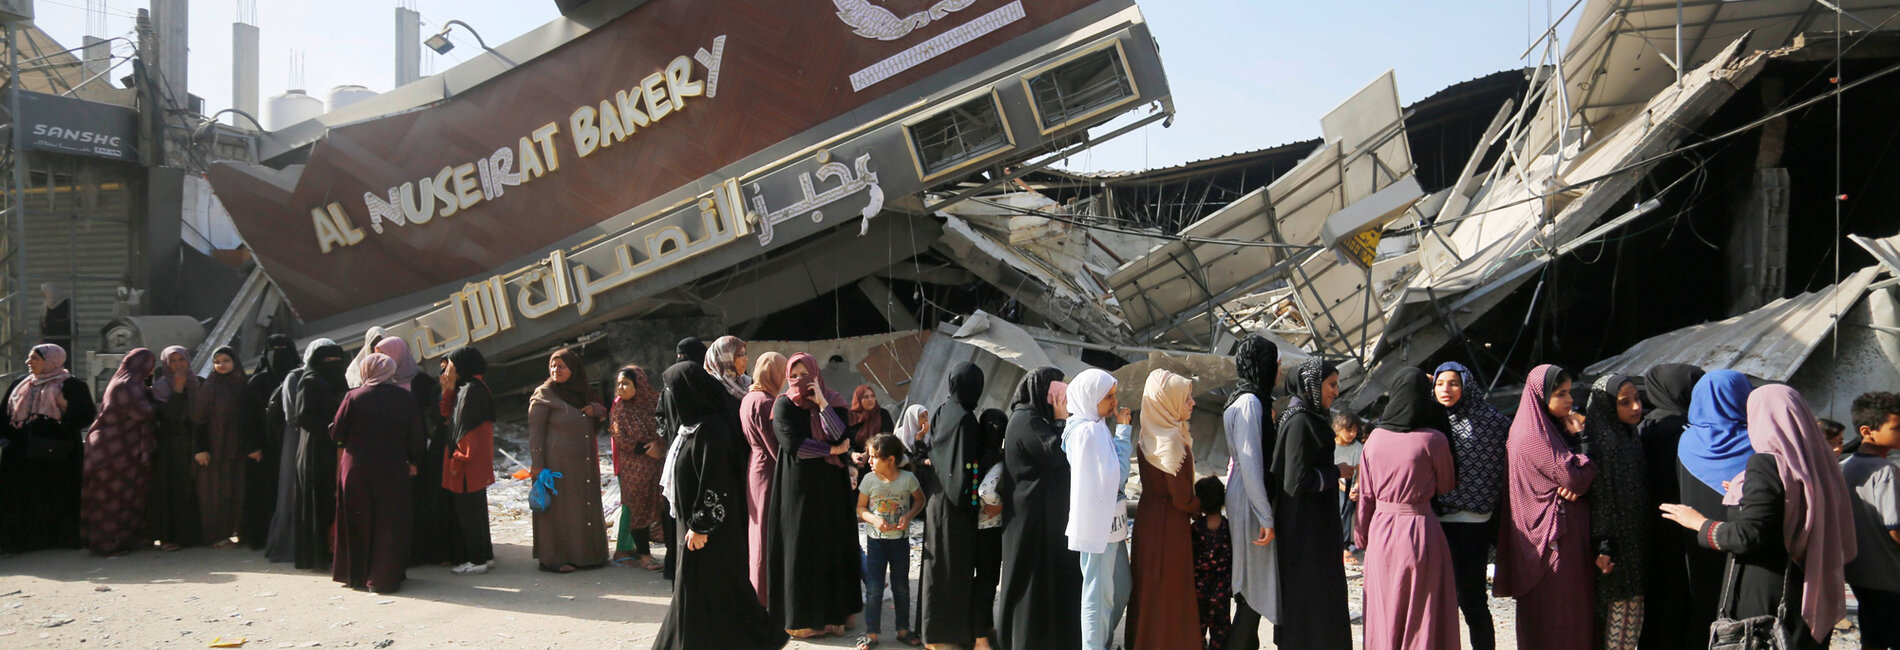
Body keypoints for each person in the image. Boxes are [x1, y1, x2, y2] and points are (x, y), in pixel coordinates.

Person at [1660, 385, 1855, 649]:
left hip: (1767, 589)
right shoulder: (1819, 462)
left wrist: (1698, 523)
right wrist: (1746, 491)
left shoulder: (1766, 463)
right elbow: (1792, 505)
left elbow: (1747, 535)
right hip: (1805, 582)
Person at [653, 356, 789, 650]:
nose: (670, 399)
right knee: (704, 588)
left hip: (709, 531)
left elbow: (717, 482)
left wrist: (702, 525)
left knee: (711, 586)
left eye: (673, 391)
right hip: (689, 526)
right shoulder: (689, 428)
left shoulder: (710, 430)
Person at [1355, 367, 1458, 650]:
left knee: (1385, 607)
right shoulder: (1433, 440)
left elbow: (1366, 495)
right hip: (1421, 529)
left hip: (1381, 531)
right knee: (1422, 614)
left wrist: (1360, 535)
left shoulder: (1373, 439)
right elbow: (1447, 484)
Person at [1495, 364, 1596, 650]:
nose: (1568, 400)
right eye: (1559, 393)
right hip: (1550, 547)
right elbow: (1573, 478)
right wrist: (1583, 443)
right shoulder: (1533, 434)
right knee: (1558, 616)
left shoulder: (1548, 429)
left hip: (1559, 540)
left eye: (1569, 393)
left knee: (1567, 614)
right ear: (1540, 396)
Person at [769, 352, 863, 637]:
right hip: (799, 488)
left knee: (833, 545)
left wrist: (822, 403)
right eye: (794, 375)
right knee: (804, 547)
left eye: (804, 374)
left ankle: (836, 615)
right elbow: (793, 444)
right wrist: (831, 451)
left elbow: (840, 436)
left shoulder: (833, 400)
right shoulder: (783, 404)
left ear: (816, 374)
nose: (800, 381)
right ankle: (805, 620)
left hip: (832, 488)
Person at [1270, 357, 1353, 649]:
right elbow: (1295, 479)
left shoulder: (1306, 417)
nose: (1336, 391)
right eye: (1331, 384)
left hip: (1312, 528)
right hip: (1305, 533)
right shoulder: (1301, 421)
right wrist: (1335, 473)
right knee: (1311, 602)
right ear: (1312, 385)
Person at [996, 368, 1080, 650]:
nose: (1062, 400)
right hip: (1030, 520)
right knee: (1029, 583)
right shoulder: (1026, 420)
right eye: (1056, 394)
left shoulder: (1032, 419)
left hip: (1039, 518)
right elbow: (1056, 455)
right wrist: (1060, 421)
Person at [330, 353, 426, 594]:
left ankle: (357, 576)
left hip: (356, 468)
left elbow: (336, 433)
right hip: (391, 467)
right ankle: (384, 579)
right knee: (389, 522)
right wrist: (414, 460)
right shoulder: (405, 398)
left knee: (358, 519)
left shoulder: (353, 397)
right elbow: (416, 435)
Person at [1428, 361, 1509, 650]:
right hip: (1434, 520)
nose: (1445, 389)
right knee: (1435, 600)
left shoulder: (1491, 422)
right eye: (1439, 383)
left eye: (1453, 383)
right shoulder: (1428, 418)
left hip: (1473, 522)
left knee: (1472, 600)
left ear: (1466, 385)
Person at [1127, 369, 1202, 650]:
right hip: (1169, 526)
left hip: (1149, 520)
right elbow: (1182, 498)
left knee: (1149, 591)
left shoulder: (1150, 433)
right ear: (1167, 402)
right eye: (1186, 398)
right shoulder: (1170, 442)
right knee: (1170, 591)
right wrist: (1206, 504)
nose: (1192, 403)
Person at [1677, 369, 1754, 636]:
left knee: (1703, 602)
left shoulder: (1685, 441)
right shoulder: (1758, 442)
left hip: (1696, 536)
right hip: (1742, 538)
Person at [1, 343, 95, 554]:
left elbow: (85, 416)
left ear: (51, 360)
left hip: (56, 454)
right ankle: (22, 541)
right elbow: (4, 415)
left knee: (56, 494)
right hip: (20, 454)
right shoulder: (20, 384)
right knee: (19, 496)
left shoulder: (71, 386)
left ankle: (56, 539)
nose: (28, 363)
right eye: (29, 358)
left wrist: (65, 407)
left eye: (34, 358)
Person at [1064, 368, 1135, 650]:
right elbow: (1118, 474)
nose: (1114, 402)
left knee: (1119, 588)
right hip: (1097, 527)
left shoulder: (1093, 426)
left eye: (1114, 395)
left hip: (1110, 523)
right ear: (1090, 397)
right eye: (1108, 396)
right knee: (1098, 596)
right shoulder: (1087, 432)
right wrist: (1124, 432)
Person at [1579, 374, 1650, 649]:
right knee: (1620, 623)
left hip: (1632, 545)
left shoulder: (1628, 433)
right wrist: (1605, 545)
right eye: (1624, 402)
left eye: (1637, 399)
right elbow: (1602, 498)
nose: (1636, 407)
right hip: (1615, 551)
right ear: (1607, 405)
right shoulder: (1603, 443)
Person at [1634, 363, 1702, 649]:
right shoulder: (1688, 430)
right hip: (1685, 523)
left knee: (1658, 604)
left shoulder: (1645, 427)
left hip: (1649, 525)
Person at [921, 362, 987, 649]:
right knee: (955, 570)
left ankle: (931, 634)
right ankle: (950, 637)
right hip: (957, 510)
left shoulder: (943, 410)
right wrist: (975, 503)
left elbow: (936, 454)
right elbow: (967, 470)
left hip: (936, 502)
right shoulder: (966, 421)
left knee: (935, 568)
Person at [1221, 335, 1281, 647]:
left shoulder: (1242, 398)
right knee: (1253, 584)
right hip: (1249, 497)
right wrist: (1266, 517)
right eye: (1275, 363)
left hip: (1242, 492)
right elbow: (1250, 462)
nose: (1279, 370)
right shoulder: (1249, 403)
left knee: (1250, 582)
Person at [529, 347, 609, 573]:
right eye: (553, 366)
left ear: (573, 369)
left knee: (582, 507)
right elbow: (535, 434)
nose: (556, 370)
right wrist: (538, 466)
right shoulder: (544, 395)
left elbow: (602, 410)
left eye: (561, 366)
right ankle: (553, 558)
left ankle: (587, 555)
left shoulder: (581, 393)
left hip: (583, 465)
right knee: (559, 512)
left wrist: (594, 409)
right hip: (556, 466)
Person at [370, 337, 447, 568]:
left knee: (420, 500)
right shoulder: (380, 382)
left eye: (387, 354)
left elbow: (431, 417)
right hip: (390, 452)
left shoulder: (422, 382)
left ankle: (425, 551)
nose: (382, 360)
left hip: (418, 450)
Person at [264, 339, 334, 563]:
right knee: (293, 491)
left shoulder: (332, 375)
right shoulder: (296, 377)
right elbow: (293, 414)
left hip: (323, 439)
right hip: (297, 438)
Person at [80, 348, 155, 556]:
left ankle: (121, 541)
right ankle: (108, 545)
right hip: (113, 451)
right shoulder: (127, 385)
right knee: (111, 498)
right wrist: (159, 399)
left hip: (116, 449)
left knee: (121, 496)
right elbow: (141, 412)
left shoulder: (126, 381)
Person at [1842, 392, 1900, 650]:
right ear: (1867, 431)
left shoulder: (1846, 465)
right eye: (1897, 428)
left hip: (1860, 574)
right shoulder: (1885, 472)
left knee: (1873, 640)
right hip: (1892, 578)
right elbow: (1895, 528)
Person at [858, 433, 924, 650]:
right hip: (876, 543)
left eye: (874, 457)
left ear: (890, 460)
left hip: (900, 542)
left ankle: (903, 630)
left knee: (901, 587)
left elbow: (920, 501)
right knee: (875, 588)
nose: (869, 461)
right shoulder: (869, 480)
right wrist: (875, 519)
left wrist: (908, 517)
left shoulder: (908, 479)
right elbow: (860, 508)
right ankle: (871, 633)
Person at [291, 340, 351, 570]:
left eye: (337, 360)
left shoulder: (340, 381)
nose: (333, 364)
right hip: (316, 448)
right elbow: (303, 417)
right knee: (318, 499)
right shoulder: (310, 382)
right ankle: (317, 555)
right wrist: (330, 431)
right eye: (328, 361)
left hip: (336, 447)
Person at [439, 346, 496, 574]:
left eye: (451, 364)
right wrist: (449, 388)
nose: (448, 369)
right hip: (476, 463)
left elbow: (466, 431)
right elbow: (447, 415)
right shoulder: (472, 387)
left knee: (469, 514)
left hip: (467, 465)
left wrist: (457, 461)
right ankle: (485, 556)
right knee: (477, 511)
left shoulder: (470, 392)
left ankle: (477, 560)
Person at [656, 336, 709, 581]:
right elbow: (660, 417)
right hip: (683, 451)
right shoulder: (683, 381)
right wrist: (672, 434)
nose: (681, 361)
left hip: (684, 451)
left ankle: (677, 568)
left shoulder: (684, 382)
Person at [243, 334, 301, 550]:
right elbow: (247, 418)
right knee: (265, 492)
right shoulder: (257, 381)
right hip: (264, 448)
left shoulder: (298, 375)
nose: (278, 353)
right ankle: (264, 538)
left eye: (283, 348)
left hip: (292, 443)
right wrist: (253, 446)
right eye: (273, 348)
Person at [193, 346, 254, 548]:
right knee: (215, 491)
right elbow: (199, 420)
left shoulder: (242, 384)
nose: (221, 365)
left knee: (236, 489)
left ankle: (233, 531)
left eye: (226, 360)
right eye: (217, 362)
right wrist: (201, 449)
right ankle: (216, 536)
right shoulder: (210, 387)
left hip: (237, 448)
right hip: (215, 449)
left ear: (235, 361)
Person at [741, 351, 788, 603]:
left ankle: (759, 595)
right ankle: (767, 597)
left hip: (755, 468)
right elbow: (776, 446)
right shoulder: (767, 402)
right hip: (769, 470)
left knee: (758, 532)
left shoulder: (749, 397)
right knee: (768, 535)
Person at [610, 365, 666, 572]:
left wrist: (659, 446)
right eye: (619, 385)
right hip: (634, 471)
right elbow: (620, 438)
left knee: (663, 508)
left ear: (638, 385)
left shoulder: (655, 403)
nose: (621, 388)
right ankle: (644, 556)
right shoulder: (620, 410)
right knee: (638, 511)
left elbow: (667, 428)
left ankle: (673, 556)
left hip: (658, 466)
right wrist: (645, 450)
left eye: (626, 383)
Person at [149, 345, 204, 551]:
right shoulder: (161, 387)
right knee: (173, 489)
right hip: (170, 444)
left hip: (193, 442)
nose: (178, 364)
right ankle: (170, 537)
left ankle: (194, 535)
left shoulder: (198, 383)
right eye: (173, 361)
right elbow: (169, 417)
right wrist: (178, 390)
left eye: (182, 359)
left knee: (193, 488)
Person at [972, 408, 1009, 649]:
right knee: (987, 583)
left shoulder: (975, 453)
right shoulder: (998, 459)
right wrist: (1000, 504)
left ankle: (985, 627)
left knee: (979, 582)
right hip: (990, 530)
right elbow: (985, 490)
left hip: (972, 528)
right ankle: (980, 639)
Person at [1191, 476, 1232, 650]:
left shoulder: (1195, 529)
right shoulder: (1228, 527)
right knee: (1221, 633)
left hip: (1199, 591)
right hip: (1222, 591)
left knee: (1197, 632)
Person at [1334, 410, 1365, 562]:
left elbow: (1360, 472)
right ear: (1338, 429)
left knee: (1345, 510)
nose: (1352, 434)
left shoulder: (1358, 447)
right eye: (1349, 430)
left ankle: (1344, 545)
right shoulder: (1330, 444)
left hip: (1348, 485)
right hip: (1332, 482)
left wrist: (1356, 487)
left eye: (1355, 431)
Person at [849, 385, 894, 472]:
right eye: (866, 397)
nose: (870, 399)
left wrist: (869, 453)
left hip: (881, 463)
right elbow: (845, 441)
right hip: (857, 468)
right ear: (858, 399)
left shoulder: (882, 414)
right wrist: (853, 454)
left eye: (872, 396)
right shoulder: (850, 418)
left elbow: (887, 438)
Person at [39, 283, 71, 357]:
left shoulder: (65, 303)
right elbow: (42, 322)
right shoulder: (45, 306)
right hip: (49, 341)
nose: (43, 295)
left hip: (64, 340)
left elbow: (69, 320)